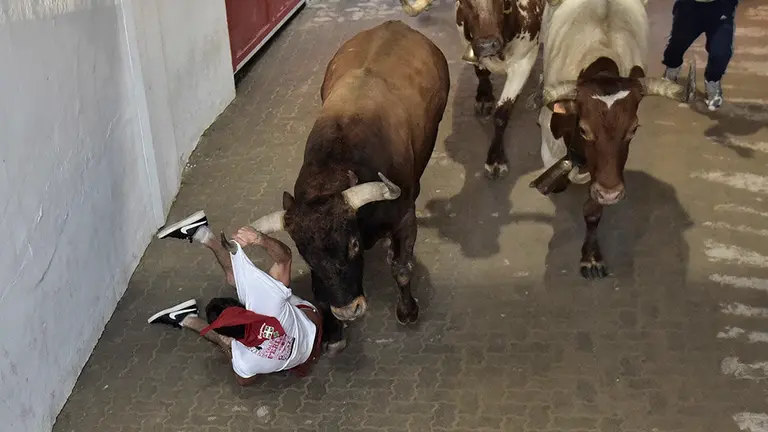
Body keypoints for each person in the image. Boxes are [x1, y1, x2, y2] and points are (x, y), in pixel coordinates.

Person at [147, 210, 323, 386]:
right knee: (236, 279)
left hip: (302, 352)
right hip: (311, 327)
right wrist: (259, 239)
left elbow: (245, 381)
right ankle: (202, 235)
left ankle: (188, 318)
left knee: (234, 282)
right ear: (241, 306)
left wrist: (229, 346)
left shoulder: (243, 356)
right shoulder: (267, 303)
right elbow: (285, 258)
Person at [662, 0, 739, 111]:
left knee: (721, 53)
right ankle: (672, 69)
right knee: (676, 45)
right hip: (689, 7)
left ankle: (712, 81)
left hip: (721, 7)